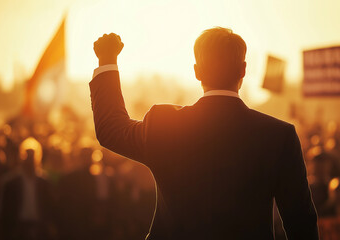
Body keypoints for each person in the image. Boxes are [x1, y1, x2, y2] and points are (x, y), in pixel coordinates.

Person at [90, 28, 319, 240]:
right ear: (243, 70)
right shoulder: (279, 135)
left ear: (197, 72)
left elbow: (111, 128)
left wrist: (107, 61)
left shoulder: (165, 125)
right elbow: (300, 220)